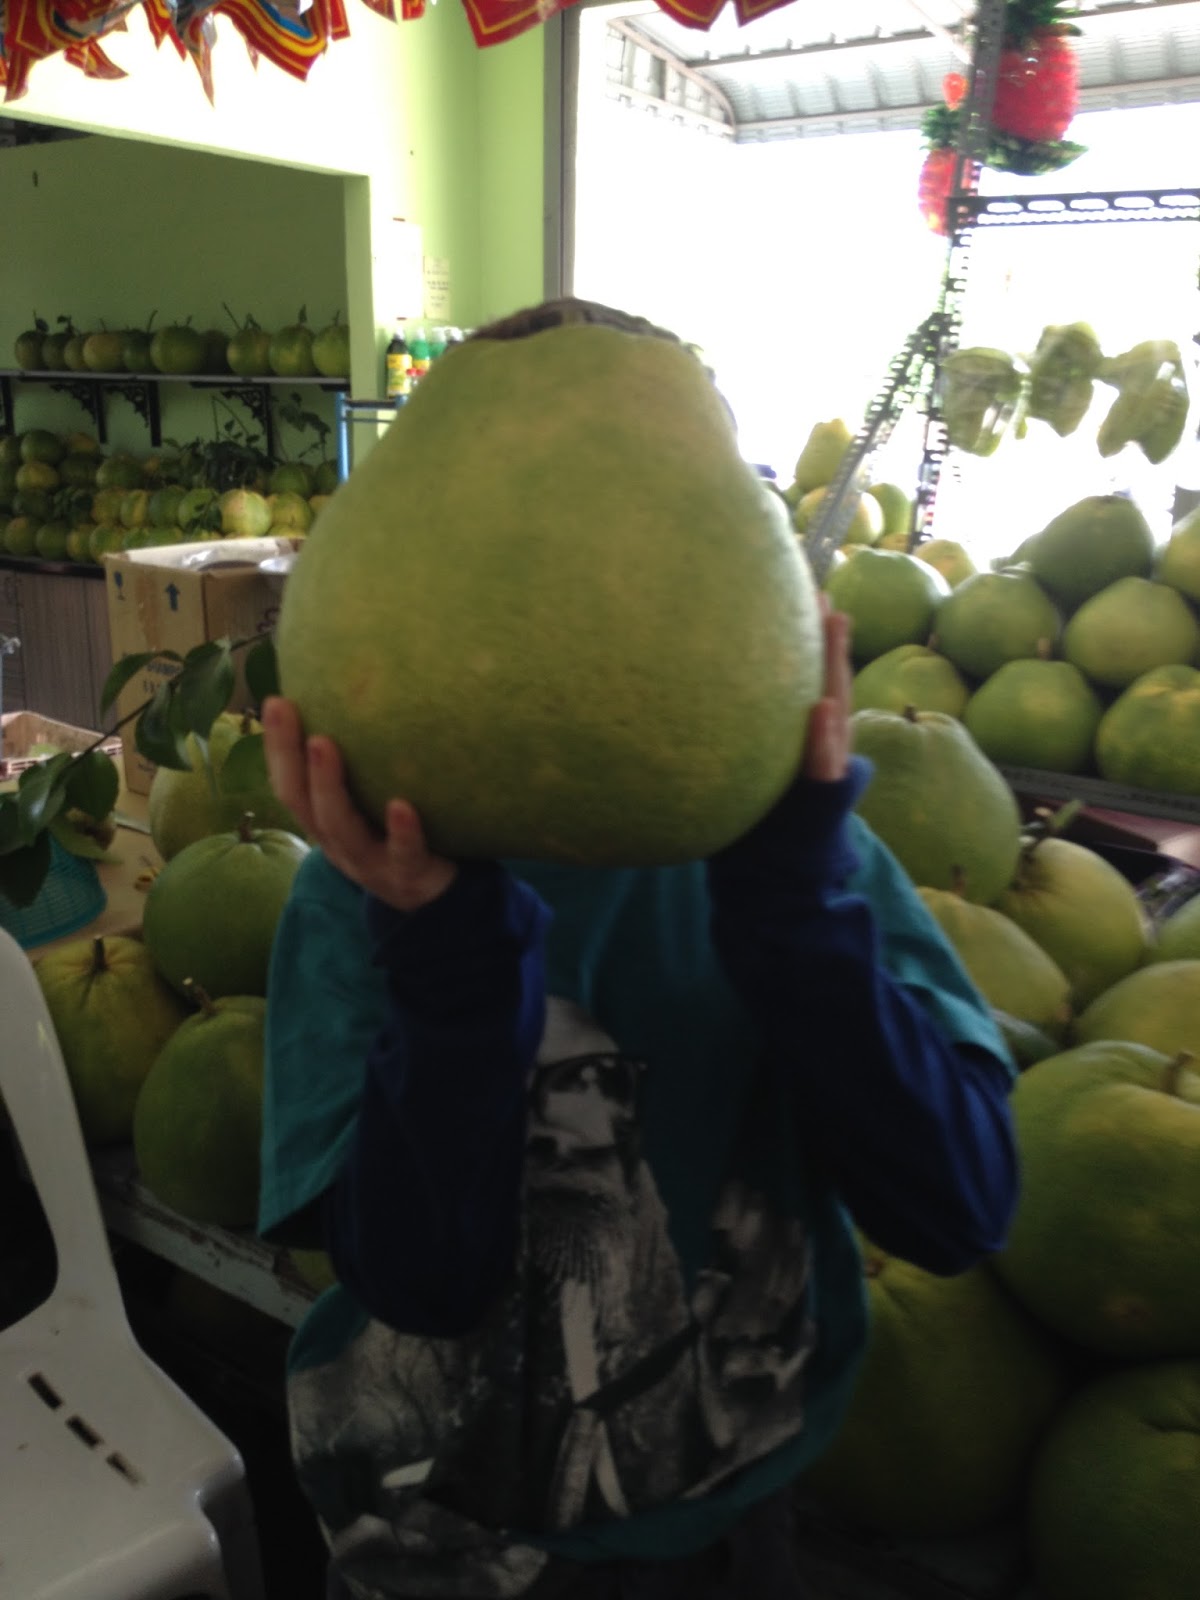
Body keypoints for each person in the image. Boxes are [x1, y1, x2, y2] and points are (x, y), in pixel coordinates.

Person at [257, 600, 1020, 1600]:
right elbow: (417, 1283)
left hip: (729, 1516)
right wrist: (450, 968)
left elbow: (959, 1205)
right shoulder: (364, 898)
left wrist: (793, 915)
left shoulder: (805, 865)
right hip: (433, 1538)